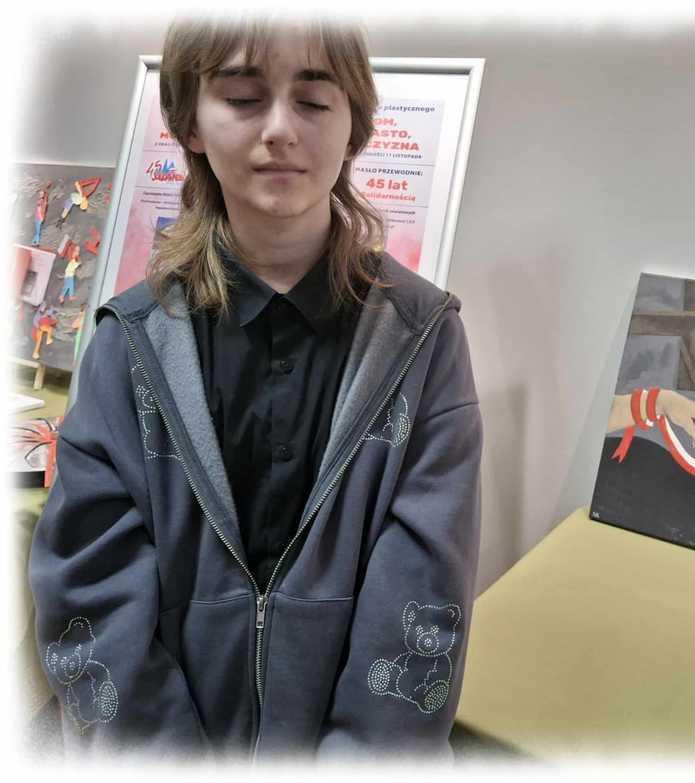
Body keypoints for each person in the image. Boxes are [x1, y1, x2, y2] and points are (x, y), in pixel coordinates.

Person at [28, 12, 483, 763]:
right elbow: (91, 591)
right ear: (191, 122)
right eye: (242, 97)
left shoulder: (424, 341)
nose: (279, 129)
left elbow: (421, 601)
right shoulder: (127, 345)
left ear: (355, 124)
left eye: (314, 99)